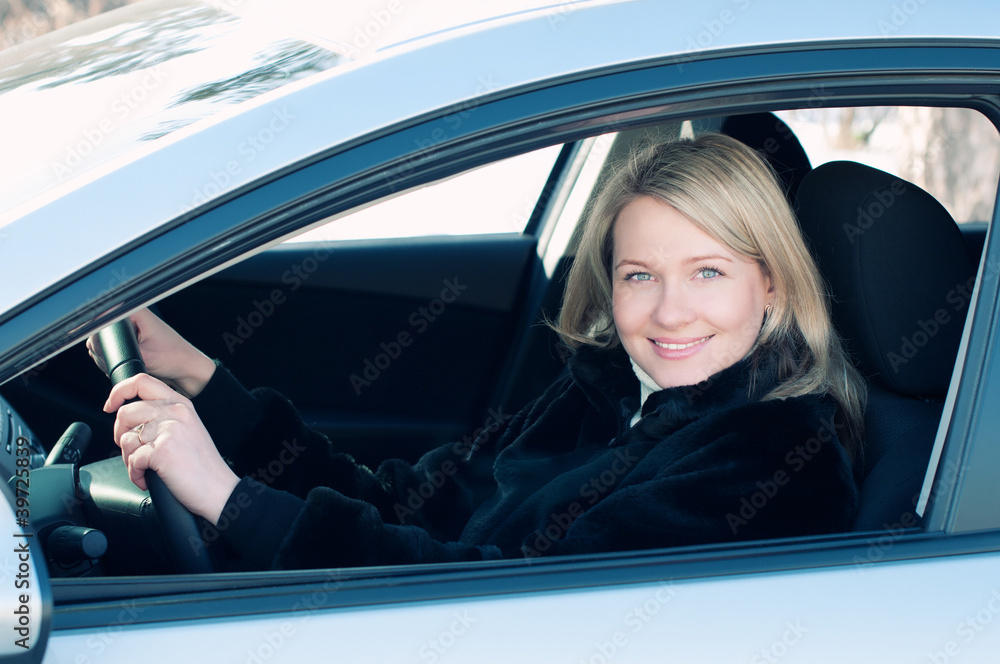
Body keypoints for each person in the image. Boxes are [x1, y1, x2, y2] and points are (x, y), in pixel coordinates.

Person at [90, 133, 865, 570]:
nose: (669, 311)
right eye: (640, 275)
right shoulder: (603, 393)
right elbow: (407, 504)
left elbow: (502, 610)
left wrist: (235, 503)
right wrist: (204, 383)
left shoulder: (775, 463)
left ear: (770, 284)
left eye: (708, 272)